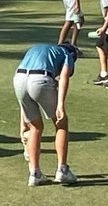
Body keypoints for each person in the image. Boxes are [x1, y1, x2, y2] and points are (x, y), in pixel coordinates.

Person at [14, 42, 80, 186]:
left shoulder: (39, 49)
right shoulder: (67, 54)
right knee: (61, 123)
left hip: (19, 79)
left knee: (35, 127)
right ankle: (62, 170)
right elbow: (64, 77)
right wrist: (61, 105)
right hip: (40, 80)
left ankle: (35, 173)